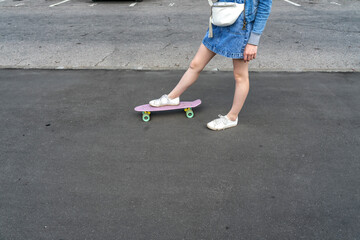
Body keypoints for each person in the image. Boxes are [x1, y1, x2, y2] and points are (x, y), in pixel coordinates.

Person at [149, 0, 272, 130]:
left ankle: (232, 117)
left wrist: (253, 41)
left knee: (240, 75)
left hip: (241, 29)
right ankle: (172, 98)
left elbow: (264, 7)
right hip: (219, 22)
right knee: (195, 64)